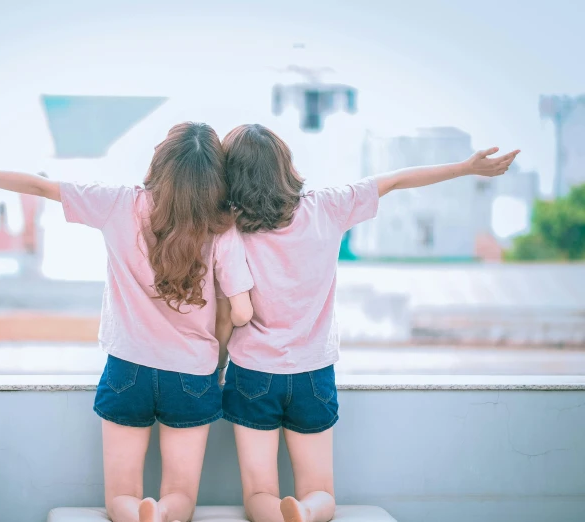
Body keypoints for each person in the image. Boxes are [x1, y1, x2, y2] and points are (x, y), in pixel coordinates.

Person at [0, 122, 254, 522]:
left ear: (162, 164)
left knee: (121, 496)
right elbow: (232, 314)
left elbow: (38, 187)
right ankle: (161, 512)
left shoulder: (120, 205)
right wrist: (219, 364)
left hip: (128, 369)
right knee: (180, 496)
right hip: (192, 374)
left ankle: (140, 513)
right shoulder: (222, 229)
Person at [218, 123, 519, 522]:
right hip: (313, 373)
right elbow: (395, 180)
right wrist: (465, 168)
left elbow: (227, 311)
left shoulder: (230, 229)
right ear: (283, 165)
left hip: (253, 372)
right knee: (321, 490)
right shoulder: (327, 207)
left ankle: (275, 513)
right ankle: (307, 512)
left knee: (258, 492)